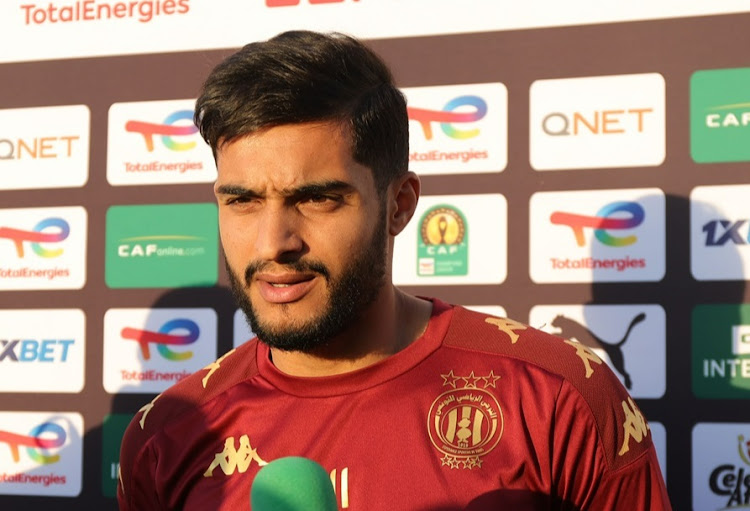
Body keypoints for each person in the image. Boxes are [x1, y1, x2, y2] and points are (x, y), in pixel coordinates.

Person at [117, 30, 672, 510]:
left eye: (317, 200)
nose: (273, 243)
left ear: (400, 204)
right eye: (241, 201)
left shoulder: (557, 398)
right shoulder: (165, 437)